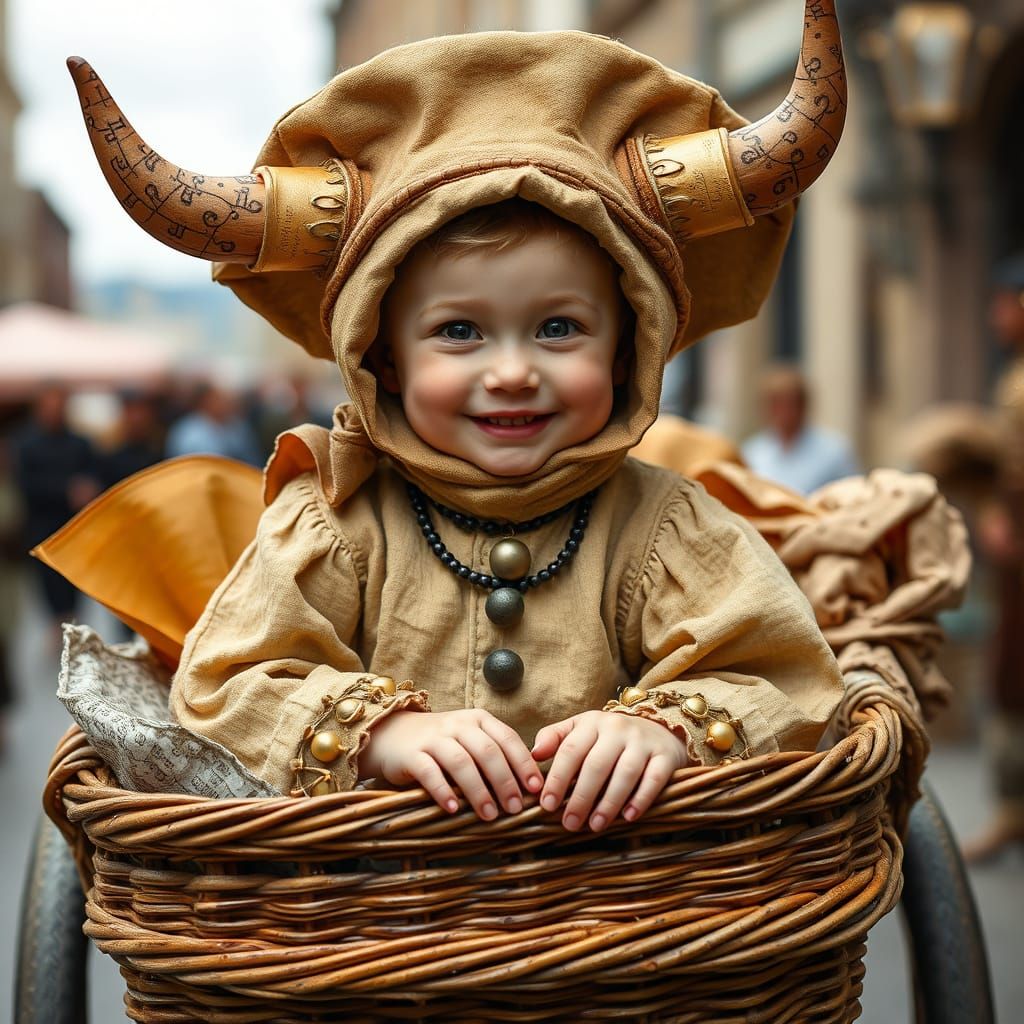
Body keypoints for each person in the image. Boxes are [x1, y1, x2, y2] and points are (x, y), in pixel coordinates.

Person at [67, 12, 857, 832]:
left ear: (630, 351)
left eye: (559, 328)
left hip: (623, 918)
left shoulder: (668, 524)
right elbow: (227, 681)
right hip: (373, 922)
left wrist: (663, 729)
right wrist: (378, 735)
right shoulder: (335, 522)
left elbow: (788, 678)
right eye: (458, 332)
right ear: (387, 361)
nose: (512, 370)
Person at [963, 253, 1024, 861]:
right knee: (1010, 670)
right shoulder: (1012, 377)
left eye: (1005, 303)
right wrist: (995, 517)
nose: (996, 316)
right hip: (1015, 557)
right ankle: (1013, 807)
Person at [11, 385, 99, 642]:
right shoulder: (25, 444)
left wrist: (86, 488)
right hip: (42, 533)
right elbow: (26, 486)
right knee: (51, 594)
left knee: (73, 593)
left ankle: (68, 633)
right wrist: (66, 490)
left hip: (74, 531)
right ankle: (59, 633)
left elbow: (93, 474)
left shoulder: (80, 443)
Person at [742, 364, 860, 495]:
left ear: (803, 405)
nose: (783, 412)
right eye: (776, 404)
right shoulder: (753, 452)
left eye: (790, 403)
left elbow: (852, 499)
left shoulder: (834, 451)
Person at [165, 383, 262, 466]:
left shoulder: (238, 426)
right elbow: (179, 463)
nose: (222, 403)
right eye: (216, 399)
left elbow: (251, 457)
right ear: (203, 402)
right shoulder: (187, 430)